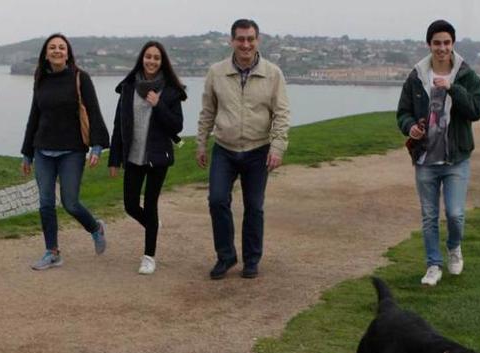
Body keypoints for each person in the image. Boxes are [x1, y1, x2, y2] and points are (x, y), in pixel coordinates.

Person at [196, 18, 290, 280]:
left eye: (250, 39)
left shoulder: (273, 74)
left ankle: (251, 259)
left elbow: (281, 114)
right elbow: (207, 111)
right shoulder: (216, 72)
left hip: (258, 149)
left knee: (254, 207)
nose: (245, 44)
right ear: (232, 41)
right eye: (240, 39)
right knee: (216, 200)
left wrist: (278, 147)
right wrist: (201, 143)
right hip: (224, 149)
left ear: (257, 40)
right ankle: (225, 257)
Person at [398, 19, 480, 287]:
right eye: (437, 43)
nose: (442, 48)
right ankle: (433, 265)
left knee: (456, 214)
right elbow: (402, 113)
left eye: (446, 43)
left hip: (456, 158)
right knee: (429, 215)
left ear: (453, 44)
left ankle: (454, 247)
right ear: (429, 44)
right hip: (425, 159)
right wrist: (410, 127)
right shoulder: (416, 76)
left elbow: (478, 109)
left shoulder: (465, 75)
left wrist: (452, 88)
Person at [21, 33, 110, 270]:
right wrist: (27, 152)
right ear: (46, 53)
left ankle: (95, 228)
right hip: (43, 150)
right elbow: (34, 116)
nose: (57, 51)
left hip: (72, 150)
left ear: (68, 53)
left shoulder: (81, 78)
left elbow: (93, 111)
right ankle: (52, 252)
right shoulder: (40, 78)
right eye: (52, 47)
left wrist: (97, 146)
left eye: (62, 47)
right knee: (46, 203)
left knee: (70, 203)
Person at [108, 41, 187, 275]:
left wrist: (159, 104)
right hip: (133, 156)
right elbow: (118, 125)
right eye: (148, 56)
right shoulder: (129, 87)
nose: (151, 61)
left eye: (156, 58)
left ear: (162, 62)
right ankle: (153, 225)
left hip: (157, 157)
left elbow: (177, 125)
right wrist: (114, 159)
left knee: (151, 205)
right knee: (131, 205)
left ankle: (148, 257)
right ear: (141, 59)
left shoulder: (171, 91)